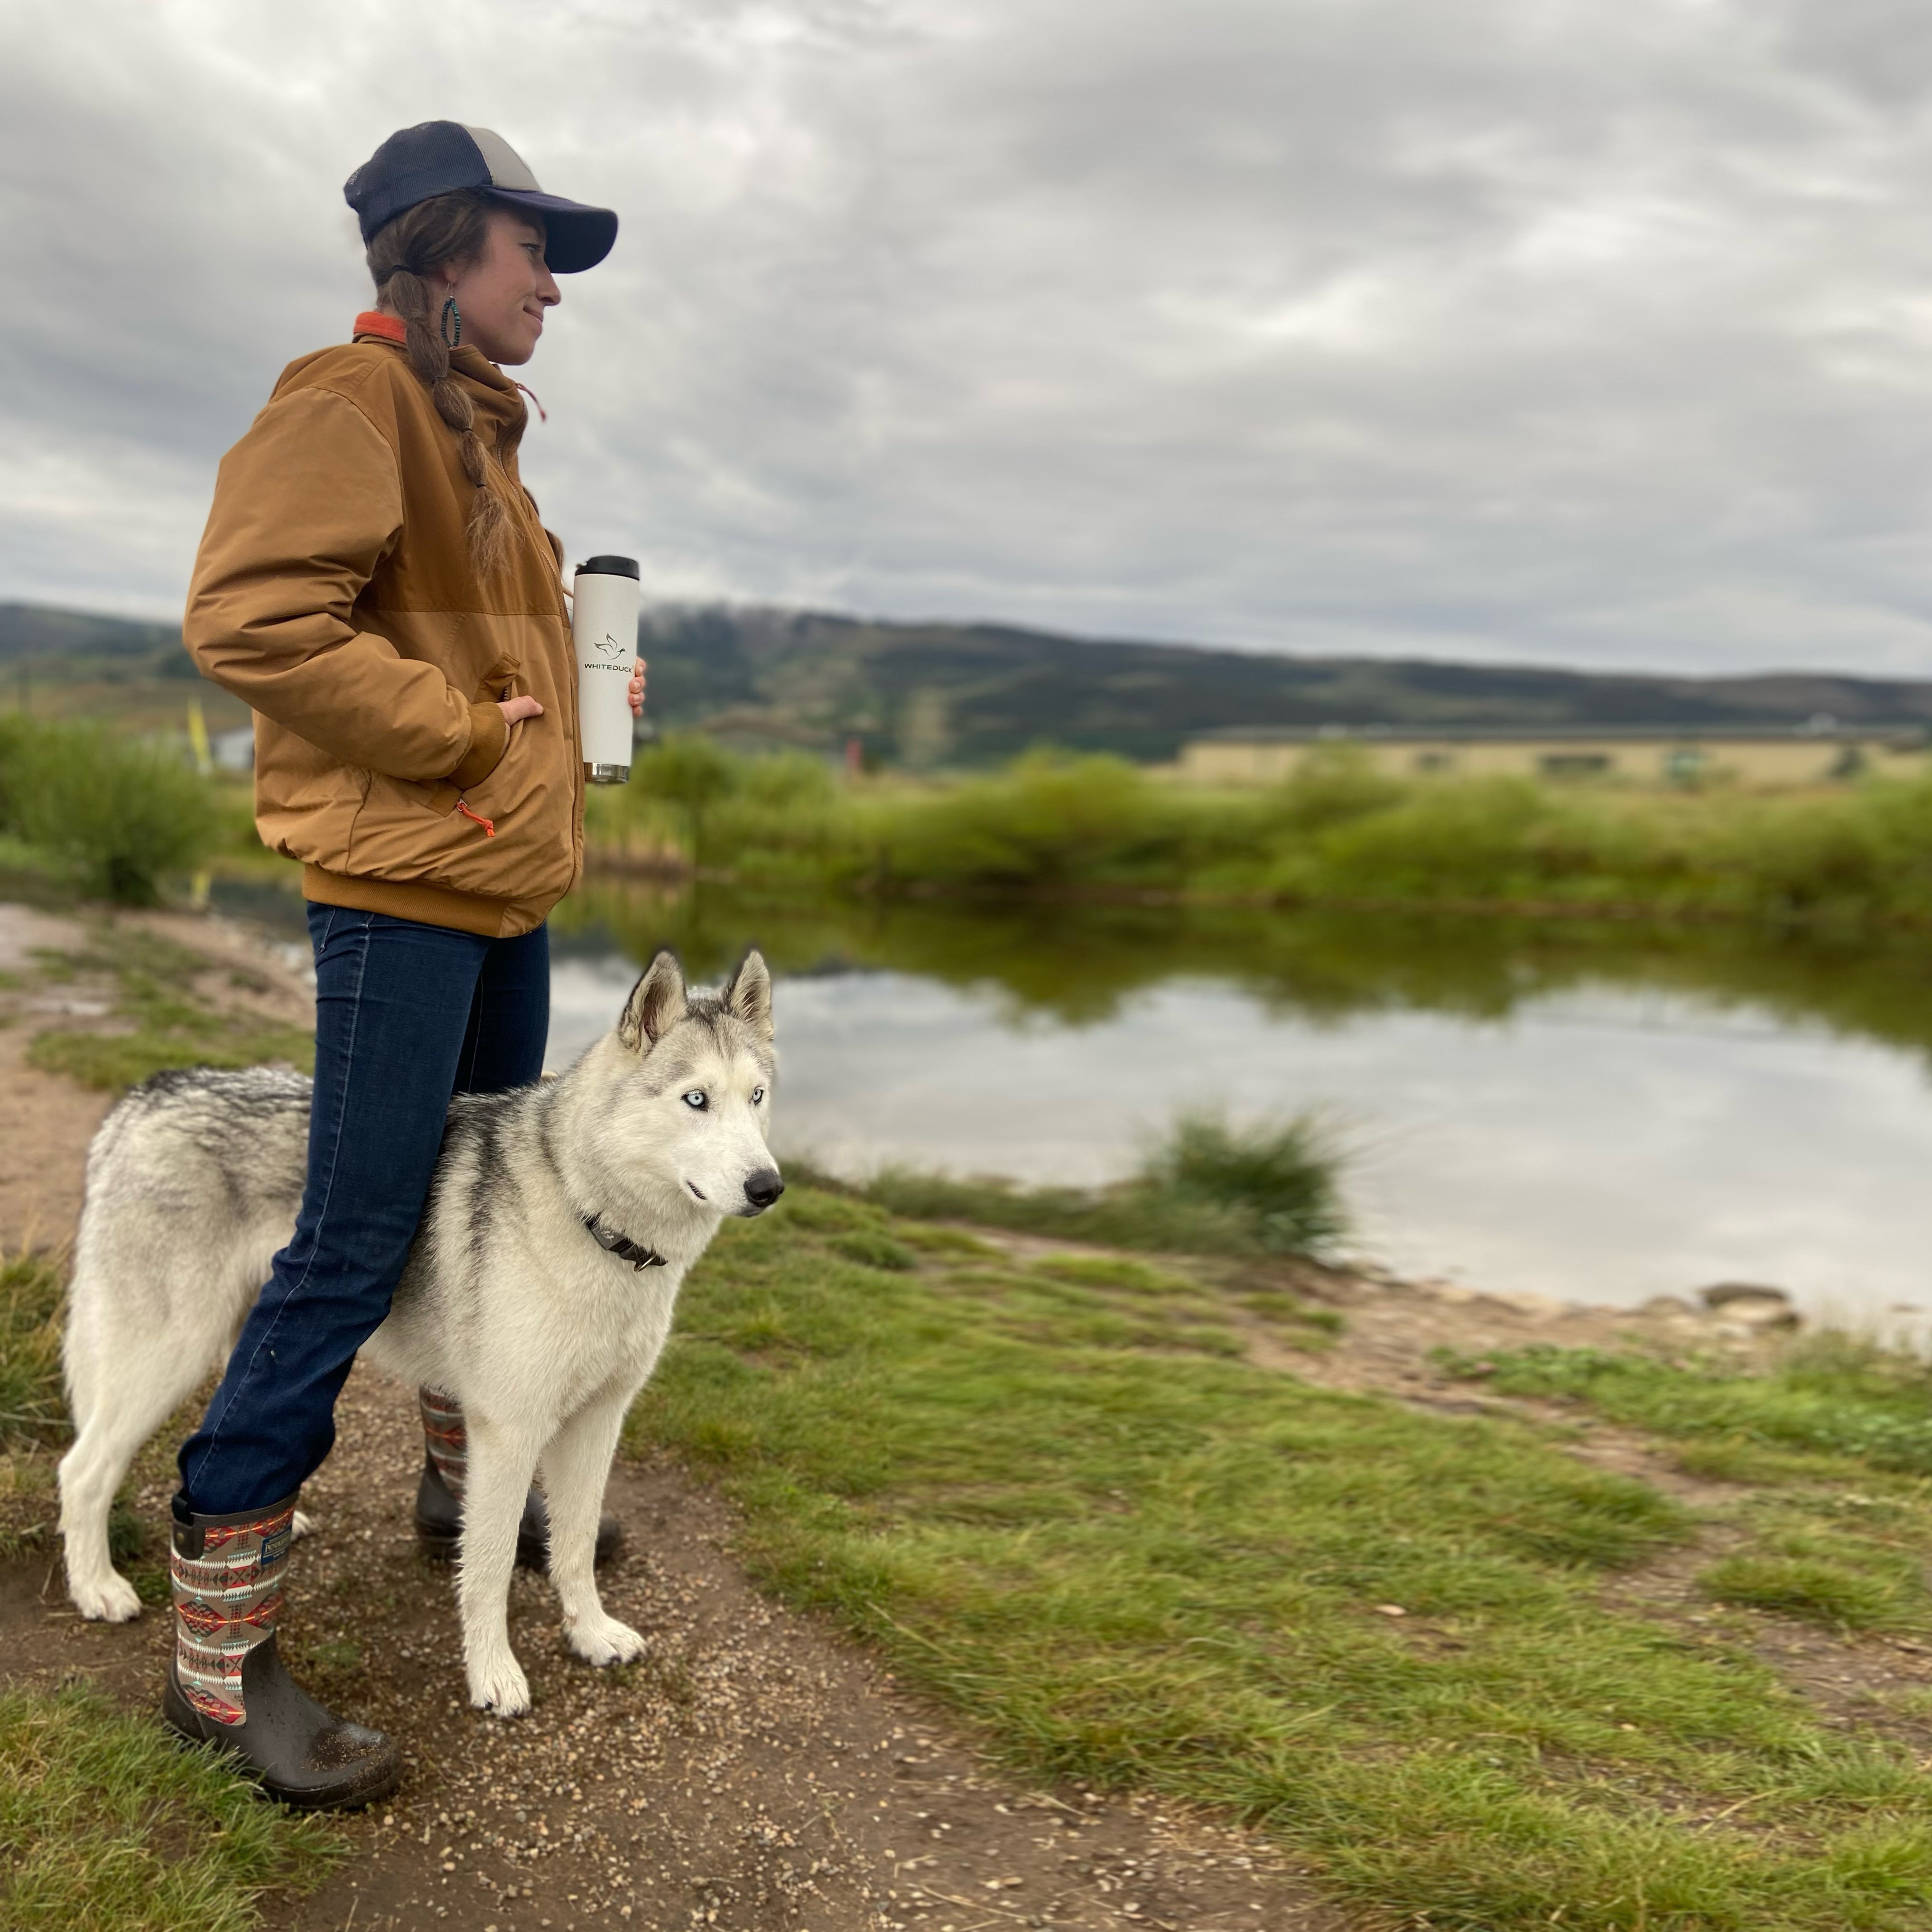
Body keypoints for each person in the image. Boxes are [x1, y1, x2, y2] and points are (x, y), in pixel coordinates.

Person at [170, 122, 637, 1808]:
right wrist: (456, 731)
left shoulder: (488, 451)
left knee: (495, 1209)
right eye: (535, 251)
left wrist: (584, 715)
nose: (554, 285)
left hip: (497, 884)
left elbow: (479, 675)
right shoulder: (347, 401)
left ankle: (462, 1494)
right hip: (401, 887)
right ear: (444, 250)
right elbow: (251, 620)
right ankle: (220, 1654)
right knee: (354, 1236)